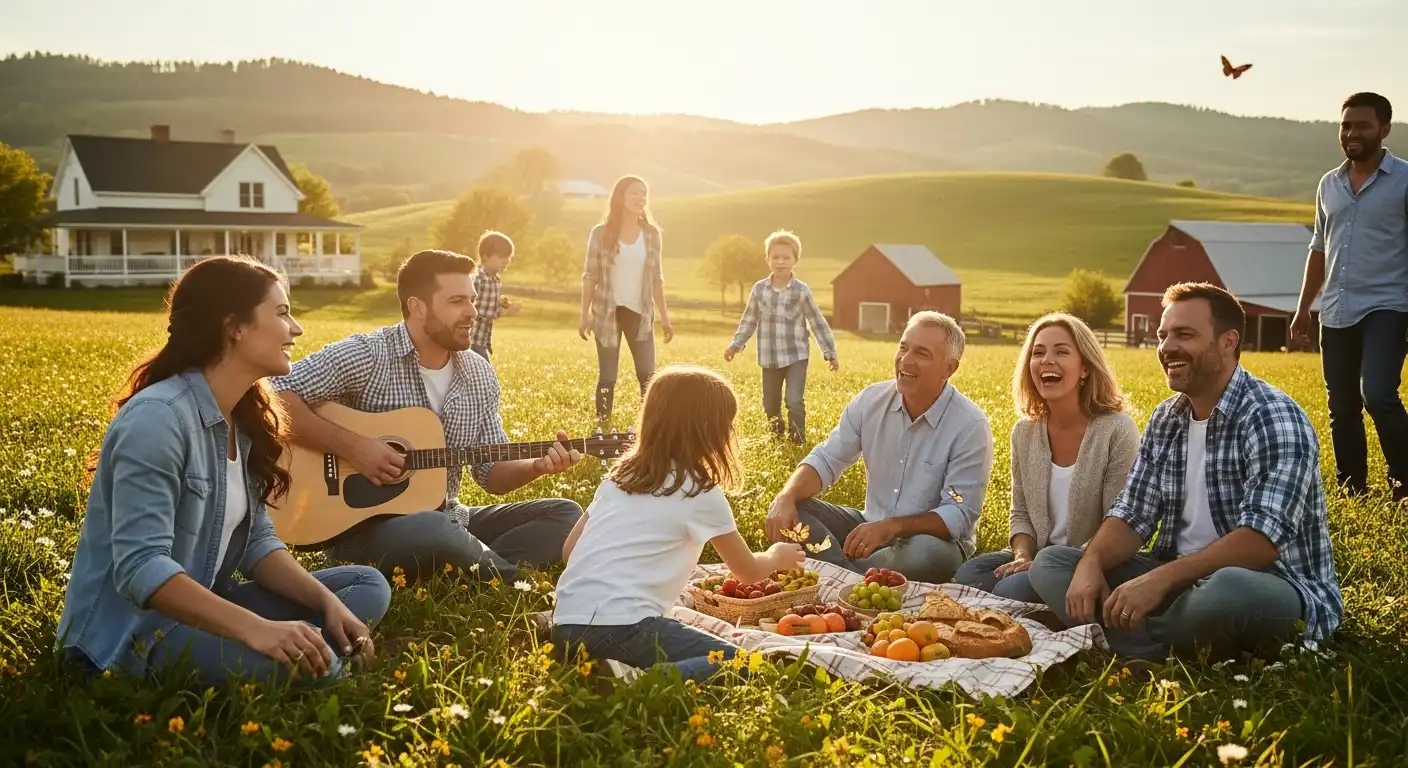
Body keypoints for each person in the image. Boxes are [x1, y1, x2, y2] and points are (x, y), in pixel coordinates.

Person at [57, 256, 390, 687]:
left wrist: (327, 604)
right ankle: (313, 658)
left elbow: (255, 542)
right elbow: (141, 567)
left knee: (365, 585)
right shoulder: (158, 419)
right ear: (235, 326)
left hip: (205, 607)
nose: (297, 329)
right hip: (132, 635)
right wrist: (258, 629)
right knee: (318, 670)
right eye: (283, 313)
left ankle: (302, 643)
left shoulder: (243, 416)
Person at [1030, 283, 1343, 661]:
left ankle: (1130, 642)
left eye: (1185, 335)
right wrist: (1091, 564)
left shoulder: (1272, 415)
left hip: (1270, 582)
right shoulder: (1167, 418)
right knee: (1053, 563)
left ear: (1228, 342)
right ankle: (1171, 642)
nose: (1167, 347)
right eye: (1163, 335)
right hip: (1177, 581)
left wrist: (1161, 580)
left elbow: (1261, 541)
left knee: (1228, 591)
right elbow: (1131, 513)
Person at [272, 249, 584, 585]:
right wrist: (354, 448)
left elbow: (491, 475)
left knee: (565, 513)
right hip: (364, 530)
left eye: (472, 300)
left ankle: (466, 566)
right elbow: (271, 393)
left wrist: (537, 466)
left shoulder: (478, 373)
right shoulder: (368, 354)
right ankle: (514, 584)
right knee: (432, 527)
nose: (472, 312)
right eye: (456, 301)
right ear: (417, 307)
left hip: (452, 519)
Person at [552, 365, 806, 682]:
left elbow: (568, 551)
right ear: (706, 430)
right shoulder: (699, 492)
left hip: (564, 625)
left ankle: (604, 668)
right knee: (743, 664)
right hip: (626, 626)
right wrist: (776, 557)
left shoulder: (618, 478)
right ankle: (634, 684)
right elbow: (747, 571)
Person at [764, 311, 994, 584]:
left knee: (929, 554)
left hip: (929, 543)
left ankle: (835, 573)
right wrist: (786, 497)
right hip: (868, 524)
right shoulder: (871, 401)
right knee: (796, 510)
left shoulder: (970, 425)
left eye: (922, 353)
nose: (905, 360)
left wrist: (893, 527)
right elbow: (826, 460)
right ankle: (859, 577)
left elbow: (959, 513)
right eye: (903, 347)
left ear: (949, 368)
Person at [954, 313, 1139, 604]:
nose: (1046, 360)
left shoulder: (1116, 429)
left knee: (1009, 590)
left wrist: (1050, 564)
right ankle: (1037, 598)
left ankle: (1052, 600)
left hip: (1092, 561)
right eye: (1038, 352)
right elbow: (1021, 513)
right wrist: (1022, 556)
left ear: (1085, 369)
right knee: (969, 573)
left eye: (1061, 351)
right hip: (1038, 556)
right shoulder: (1025, 432)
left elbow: (1117, 522)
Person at [1291, 92, 1408, 502]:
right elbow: (1319, 249)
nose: (1351, 133)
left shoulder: (1405, 180)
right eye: (1345, 125)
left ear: (1384, 129)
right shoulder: (1329, 184)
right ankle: (1352, 488)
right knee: (1341, 406)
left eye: (1361, 125)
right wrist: (1304, 306)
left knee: (1377, 393)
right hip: (1336, 310)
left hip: (1388, 307)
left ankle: (1404, 481)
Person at [723, 230, 840, 444]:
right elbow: (749, 320)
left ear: (795, 260)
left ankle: (797, 440)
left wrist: (829, 352)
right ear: (767, 259)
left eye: (786, 258)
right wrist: (736, 344)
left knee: (794, 400)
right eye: (775, 257)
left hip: (796, 356)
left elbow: (817, 322)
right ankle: (776, 439)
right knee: (770, 404)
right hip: (769, 359)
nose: (780, 262)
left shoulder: (801, 291)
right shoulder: (759, 290)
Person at [578, 175, 674, 423]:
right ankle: (603, 425)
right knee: (608, 376)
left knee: (647, 374)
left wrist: (664, 317)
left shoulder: (652, 234)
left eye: (644, 193)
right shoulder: (600, 233)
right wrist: (584, 314)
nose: (640, 198)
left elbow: (656, 277)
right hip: (606, 313)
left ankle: (649, 425)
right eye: (634, 193)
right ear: (620, 197)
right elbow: (590, 275)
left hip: (639, 313)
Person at [468, 230, 522, 362]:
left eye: (508, 257)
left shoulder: (494, 278)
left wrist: (501, 302)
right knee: (485, 376)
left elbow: (487, 300)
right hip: (472, 338)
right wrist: (505, 312)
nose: (506, 261)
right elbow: (472, 310)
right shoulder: (478, 279)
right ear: (485, 257)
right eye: (501, 257)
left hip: (481, 338)